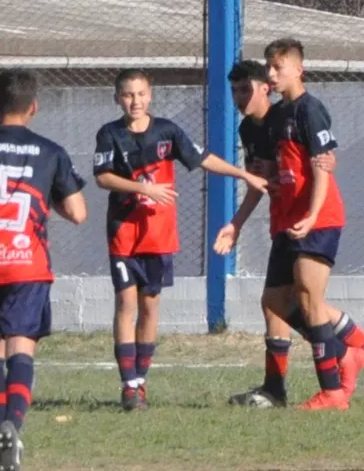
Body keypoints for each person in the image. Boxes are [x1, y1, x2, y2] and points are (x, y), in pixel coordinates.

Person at [216, 47, 364, 411]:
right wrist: (235, 224)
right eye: (266, 68)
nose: (269, 75)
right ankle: (354, 351)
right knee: (275, 301)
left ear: (297, 70)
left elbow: (321, 165)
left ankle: (334, 388)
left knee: (308, 299)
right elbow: (264, 178)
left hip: (316, 219)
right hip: (287, 222)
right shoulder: (268, 121)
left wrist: (313, 214)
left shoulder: (307, 109)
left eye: (274, 68)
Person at [93, 68, 267, 411]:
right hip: (123, 233)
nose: (135, 101)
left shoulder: (167, 131)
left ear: (150, 95)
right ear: (117, 98)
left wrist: (244, 174)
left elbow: (203, 159)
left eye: (141, 94)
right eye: (128, 95)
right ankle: (128, 385)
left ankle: (140, 381)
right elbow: (102, 177)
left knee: (150, 307)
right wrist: (143, 188)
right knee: (126, 305)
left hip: (158, 236)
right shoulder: (109, 133)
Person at [0, 69, 87, 471]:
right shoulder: (51, 151)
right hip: (25, 261)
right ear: (34, 107)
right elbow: (78, 211)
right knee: (21, 346)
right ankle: (13, 424)